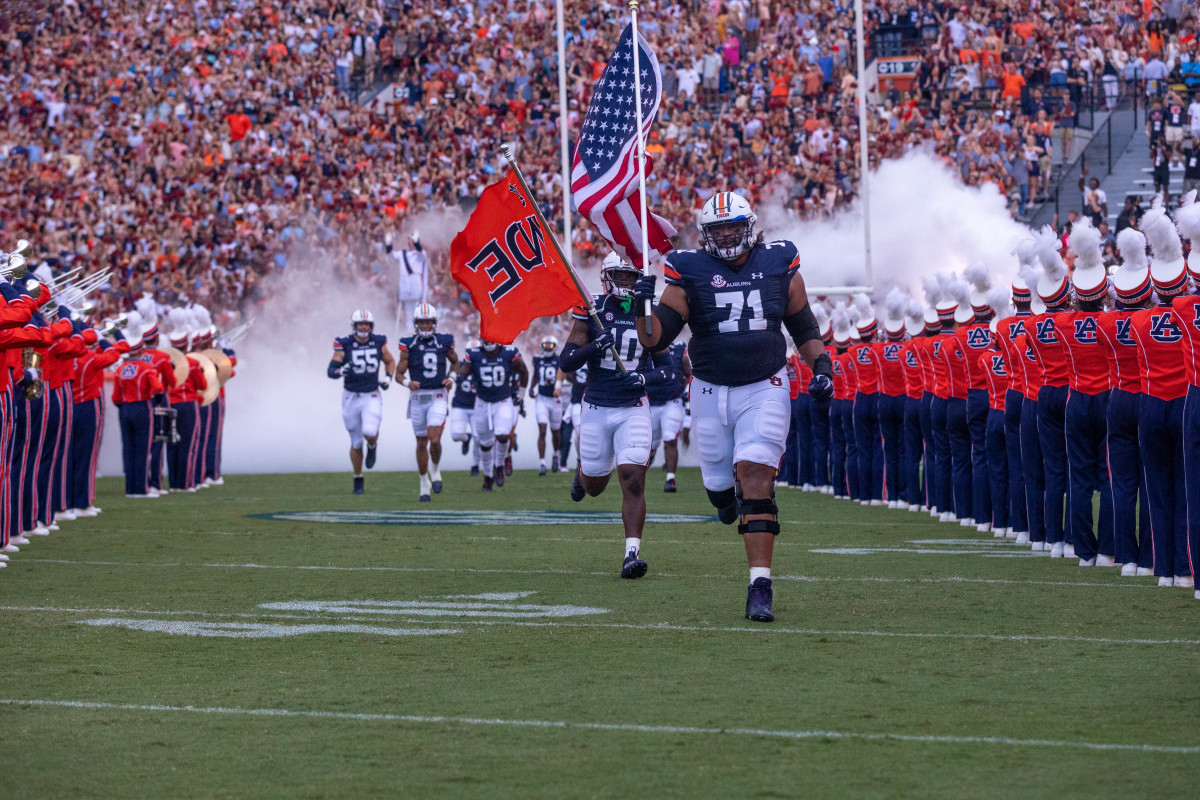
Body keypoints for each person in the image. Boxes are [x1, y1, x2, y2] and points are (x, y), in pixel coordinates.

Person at [634, 192, 835, 622]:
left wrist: (821, 365)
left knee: (757, 474)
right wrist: (640, 304)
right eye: (718, 229)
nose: (726, 235)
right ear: (706, 235)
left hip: (766, 384)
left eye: (732, 227)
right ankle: (727, 502)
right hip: (709, 391)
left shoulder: (779, 261)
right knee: (721, 490)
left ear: (750, 226)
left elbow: (802, 322)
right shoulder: (689, 270)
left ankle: (760, 585)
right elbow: (656, 340)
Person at [559, 254, 675, 581]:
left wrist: (644, 379)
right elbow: (566, 361)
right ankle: (583, 475)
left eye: (629, 276)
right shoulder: (593, 308)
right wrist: (593, 347)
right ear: (606, 276)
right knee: (595, 486)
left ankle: (631, 554)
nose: (625, 282)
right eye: (619, 276)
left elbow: (668, 370)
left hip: (633, 407)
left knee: (632, 478)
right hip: (596, 405)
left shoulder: (647, 311)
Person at [327, 308, 395, 495]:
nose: (364, 327)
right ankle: (358, 478)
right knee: (356, 442)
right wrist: (341, 370)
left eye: (366, 324)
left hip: (371, 394)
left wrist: (388, 378)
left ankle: (372, 445)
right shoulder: (344, 344)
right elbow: (331, 370)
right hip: (350, 397)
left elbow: (390, 360)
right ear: (354, 326)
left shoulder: (378, 341)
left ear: (371, 326)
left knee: (370, 431)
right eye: (360, 324)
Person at [396, 303, 457, 501]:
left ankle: (436, 469)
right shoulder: (409, 344)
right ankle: (424, 482)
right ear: (416, 323)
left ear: (434, 322)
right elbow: (398, 373)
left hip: (438, 395)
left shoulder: (444, 341)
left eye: (428, 321)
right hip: (417, 398)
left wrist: (452, 378)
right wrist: (407, 383)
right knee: (421, 442)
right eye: (422, 322)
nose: (425, 325)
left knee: (434, 439)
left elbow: (456, 362)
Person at [458, 338, 528, 490]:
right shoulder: (474, 354)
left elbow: (523, 371)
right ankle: (488, 477)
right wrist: (459, 375)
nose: (488, 341)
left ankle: (499, 465)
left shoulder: (509, 353)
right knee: (485, 444)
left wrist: (522, 393)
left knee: (503, 435)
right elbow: (465, 369)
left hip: (503, 400)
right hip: (482, 402)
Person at [647, 341, 691, 492]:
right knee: (649, 445)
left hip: (672, 401)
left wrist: (681, 389)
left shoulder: (679, 347)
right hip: (651, 402)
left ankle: (670, 479)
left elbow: (688, 373)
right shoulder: (646, 345)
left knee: (670, 439)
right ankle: (644, 466)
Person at [529, 335, 564, 476]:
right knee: (542, 429)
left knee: (556, 431)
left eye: (550, 346)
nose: (547, 349)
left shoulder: (559, 360)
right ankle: (542, 462)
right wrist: (532, 388)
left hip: (555, 400)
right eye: (545, 346)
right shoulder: (537, 360)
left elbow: (566, 374)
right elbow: (536, 375)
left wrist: (558, 386)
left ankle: (556, 454)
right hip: (542, 398)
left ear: (554, 348)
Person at [448, 344, 481, 477]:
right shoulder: (460, 364)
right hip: (460, 405)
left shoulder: (483, 364)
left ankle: (475, 465)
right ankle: (466, 438)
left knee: (478, 438)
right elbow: (446, 383)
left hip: (477, 407)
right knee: (456, 436)